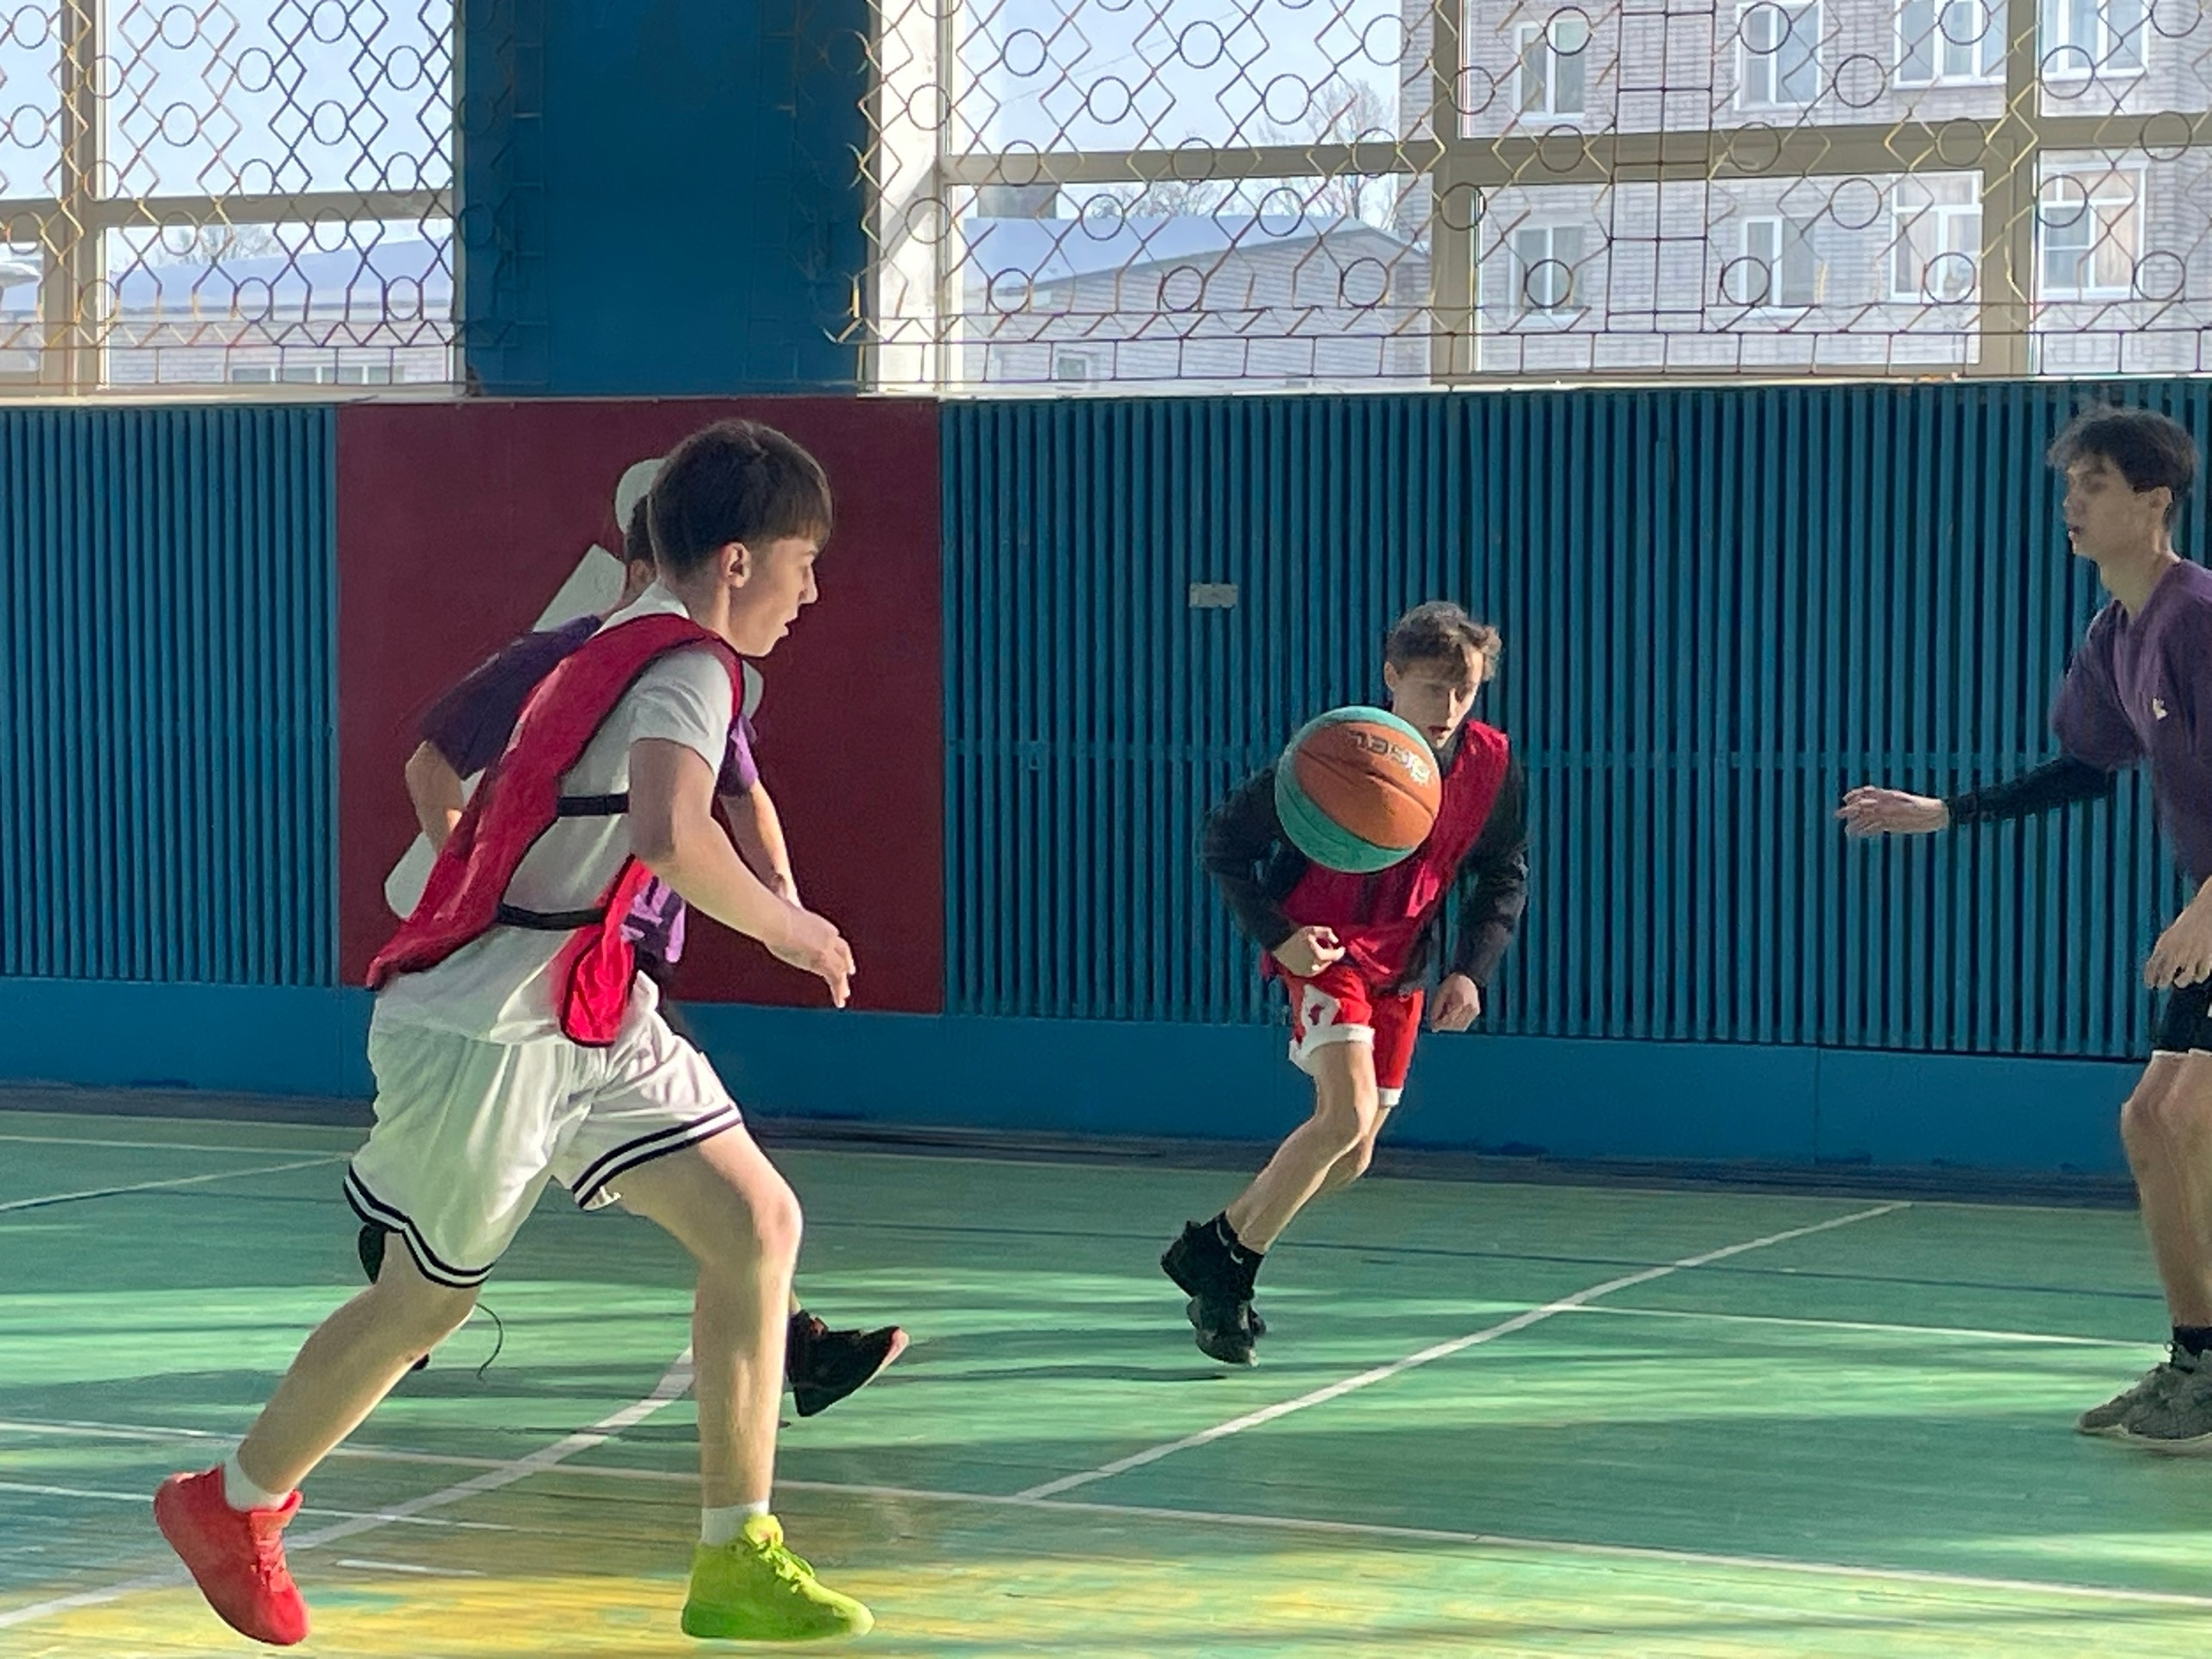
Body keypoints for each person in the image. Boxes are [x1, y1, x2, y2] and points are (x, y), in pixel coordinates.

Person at [154, 419, 874, 1644]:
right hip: (489, 1027)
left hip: (587, 1004)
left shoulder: (618, 643)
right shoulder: (689, 666)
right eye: (804, 563)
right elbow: (671, 834)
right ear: (739, 560)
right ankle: (231, 1503)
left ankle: (736, 1553)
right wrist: (790, 928)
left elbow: (662, 819)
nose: (811, 593)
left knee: (758, 1225)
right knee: (421, 1308)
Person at [376, 488, 906, 1415]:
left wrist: (785, 906)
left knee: (740, 1199)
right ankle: (398, 1274)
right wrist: (477, 891)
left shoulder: (695, 674)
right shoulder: (563, 662)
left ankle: (788, 1346)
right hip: (536, 963)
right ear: (646, 570)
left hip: (622, 962)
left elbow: (740, 796)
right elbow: (431, 766)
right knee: (464, 1208)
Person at [1839, 404, 2212, 1447]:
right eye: (2068, 485)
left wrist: (2209, 901)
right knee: (2149, 1121)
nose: (2070, 503)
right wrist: (1944, 812)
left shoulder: (2198, 617)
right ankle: (2196, 1357)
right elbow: (2086, 768)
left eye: (2094, 484)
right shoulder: (2113, 633)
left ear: (2154, 502)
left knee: (2185, 1115)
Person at [1162, 601, 1529, 1364]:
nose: (1449, 707)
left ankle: (1214, 1246)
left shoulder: (1492, 765)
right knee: (1344, 1115)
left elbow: (1503, 874)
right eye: (1432, 688)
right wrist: (1280, 936)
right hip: (1324, 949)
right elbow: (1224, 843)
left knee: (1354, 1154)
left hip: (1405, 962)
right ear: (1392, 677)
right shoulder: (1334, 751)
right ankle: (1231, 1278)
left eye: (1464, 690)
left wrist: (1471, 969)